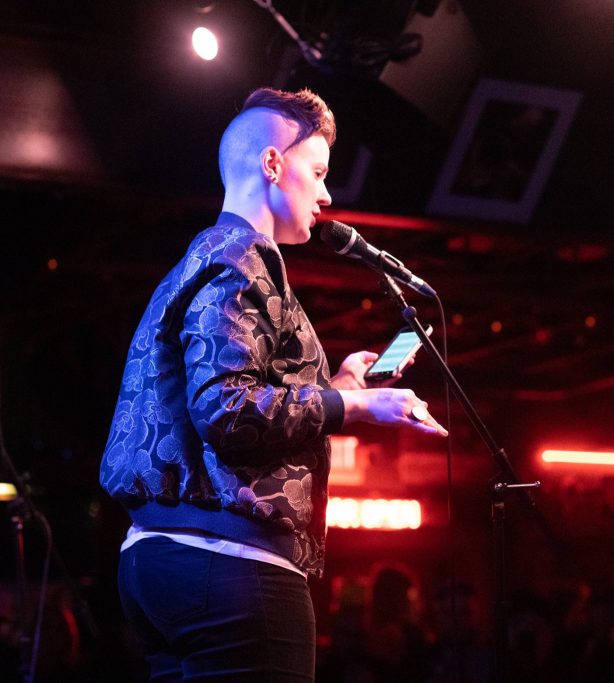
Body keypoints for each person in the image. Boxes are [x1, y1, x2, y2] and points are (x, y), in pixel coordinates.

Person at [98, 87, 447, 680]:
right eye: (318, 172)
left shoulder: (207, 260)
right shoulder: (240, 262)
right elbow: (229, 413)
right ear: (272, 164)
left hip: (166, 562)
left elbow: (225, 397)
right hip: (230, 567)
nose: (328, 194)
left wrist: (338, 385)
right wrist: (352, 409)